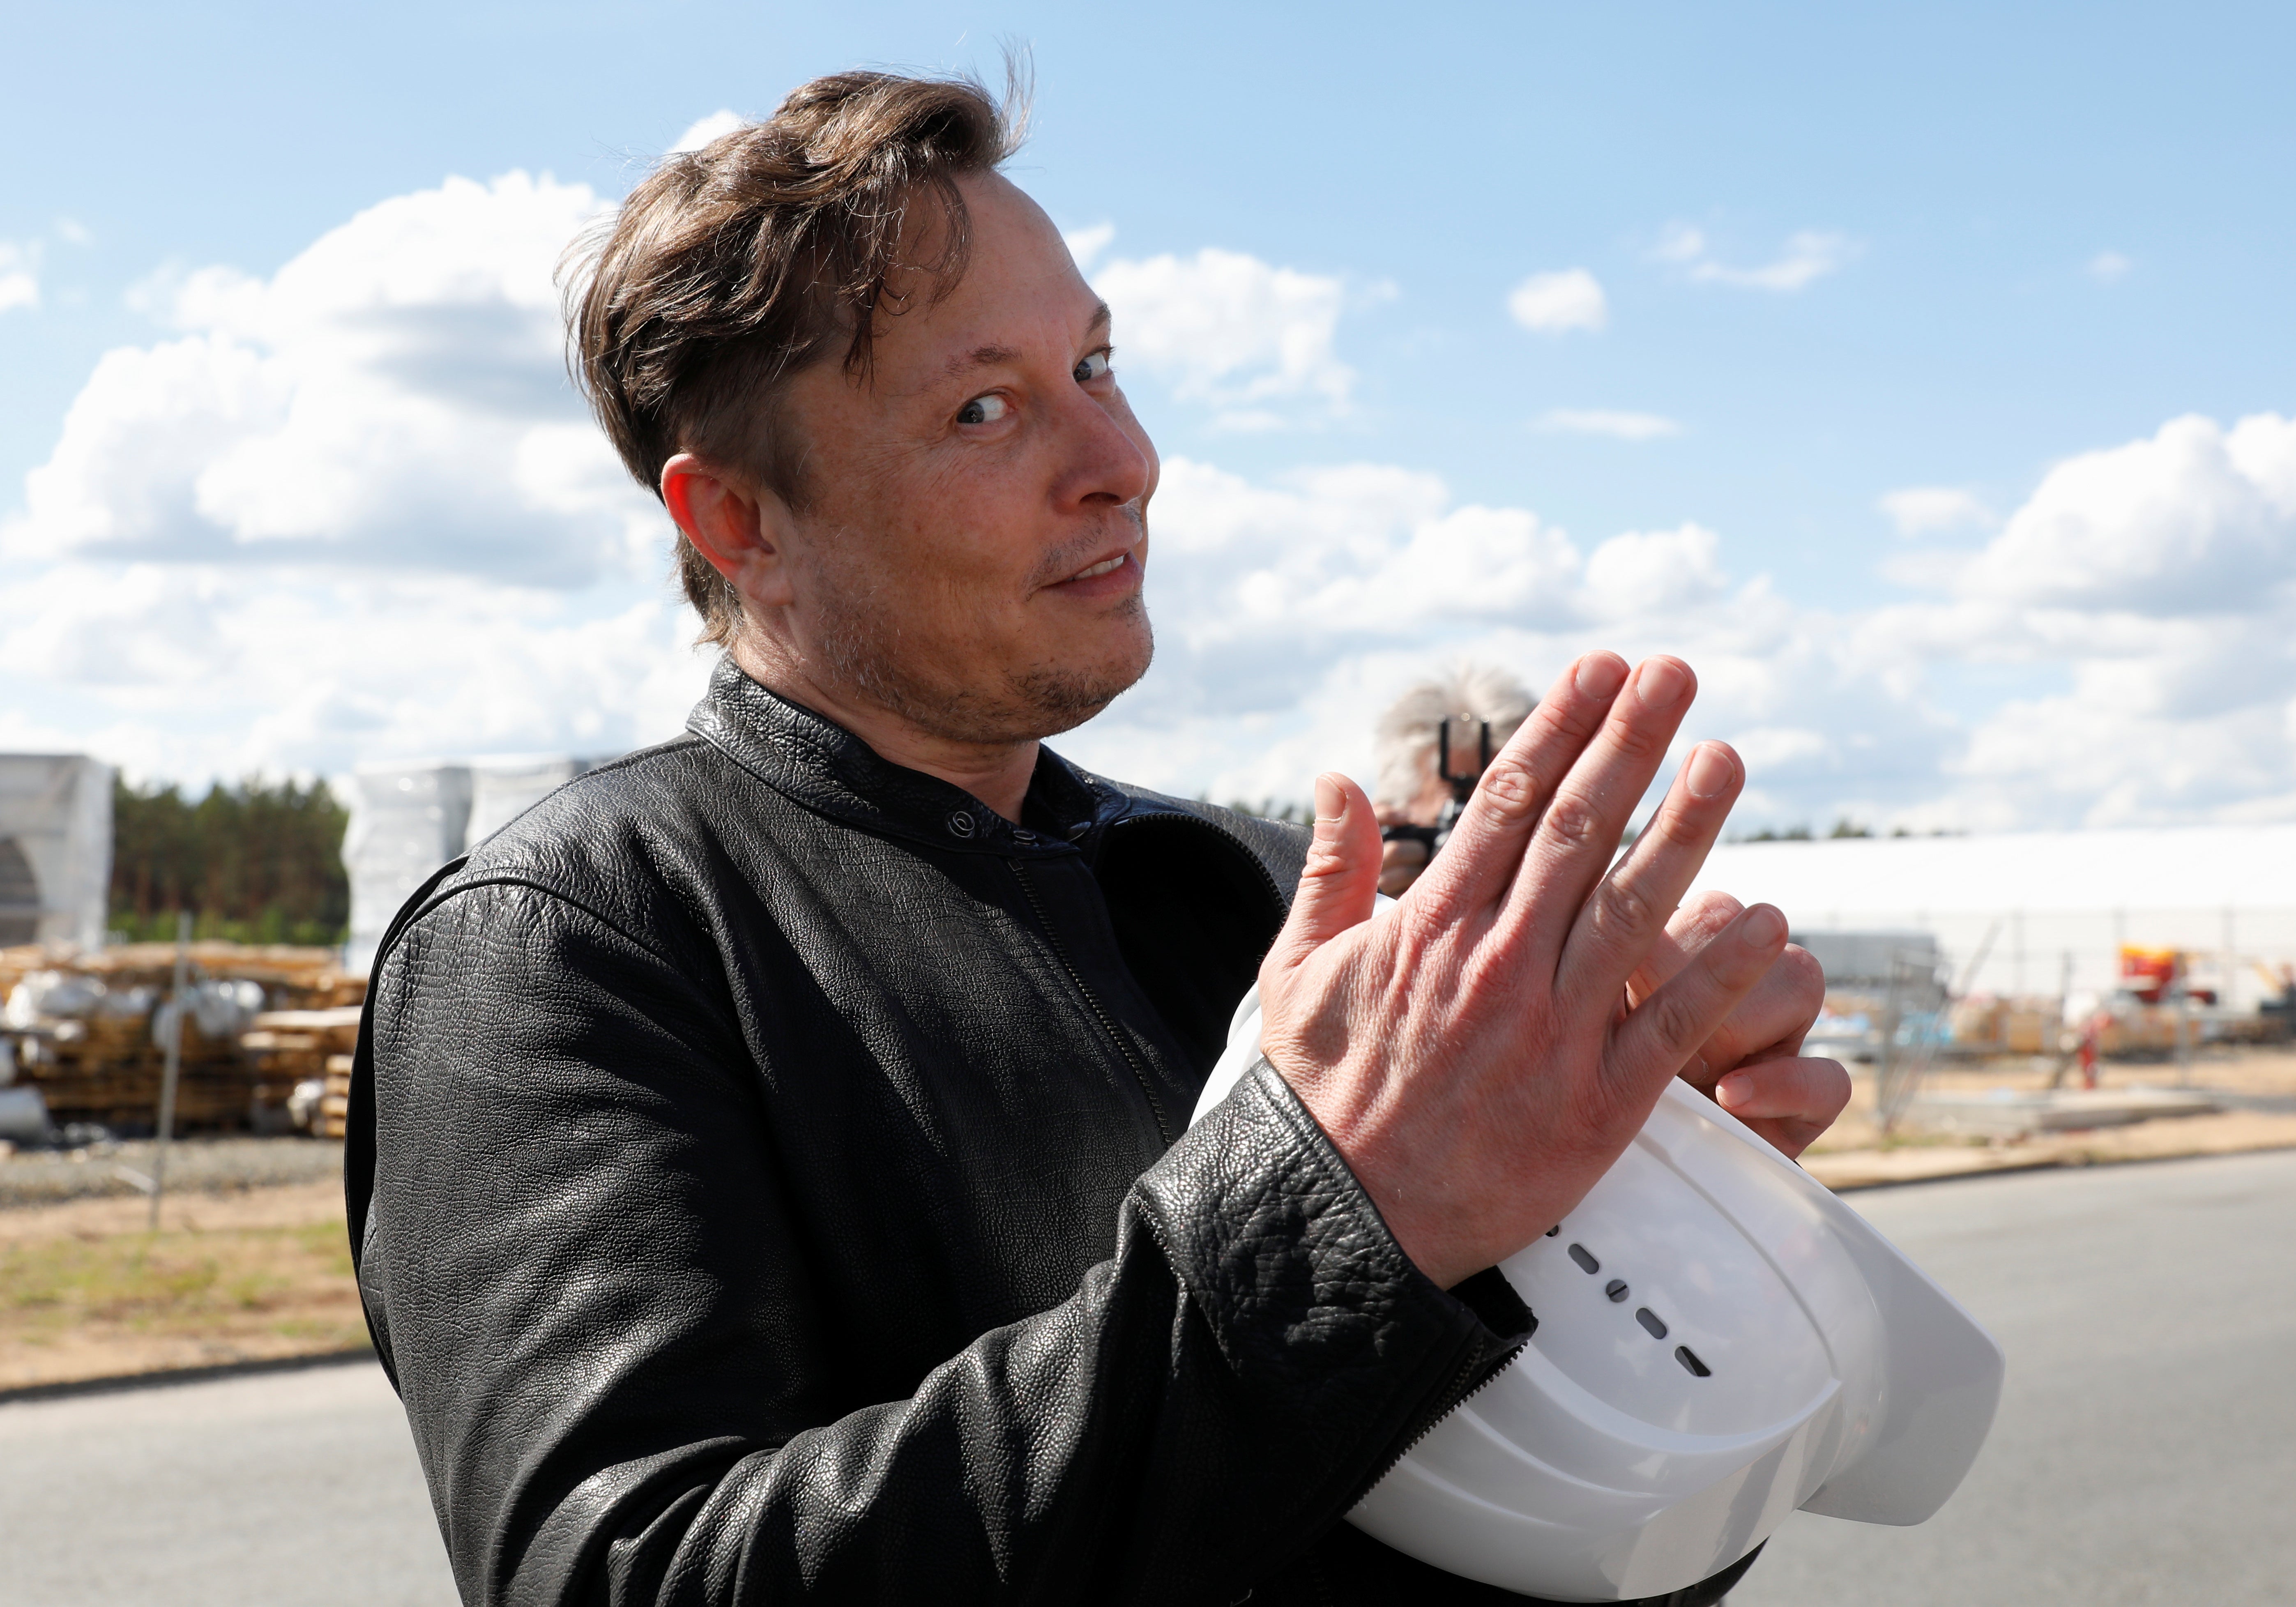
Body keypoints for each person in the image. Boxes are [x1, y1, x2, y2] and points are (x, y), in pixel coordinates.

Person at [344, 70, 1849, 1607]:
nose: (1119, 459)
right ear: (740, 523)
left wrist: (1613, 1228)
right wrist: (1349, 1209)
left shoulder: (1239, 902)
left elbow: (1489, 1558)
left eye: (1098, 362)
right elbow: (630, 1577)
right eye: (983, 406)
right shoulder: (572, 935)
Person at [1370, 663, 1539, 897]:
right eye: (1456, 824)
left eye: (1508, 825)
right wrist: (1372, 904)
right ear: (1393, 820)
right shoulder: (1363, 899)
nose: (1472, 855)